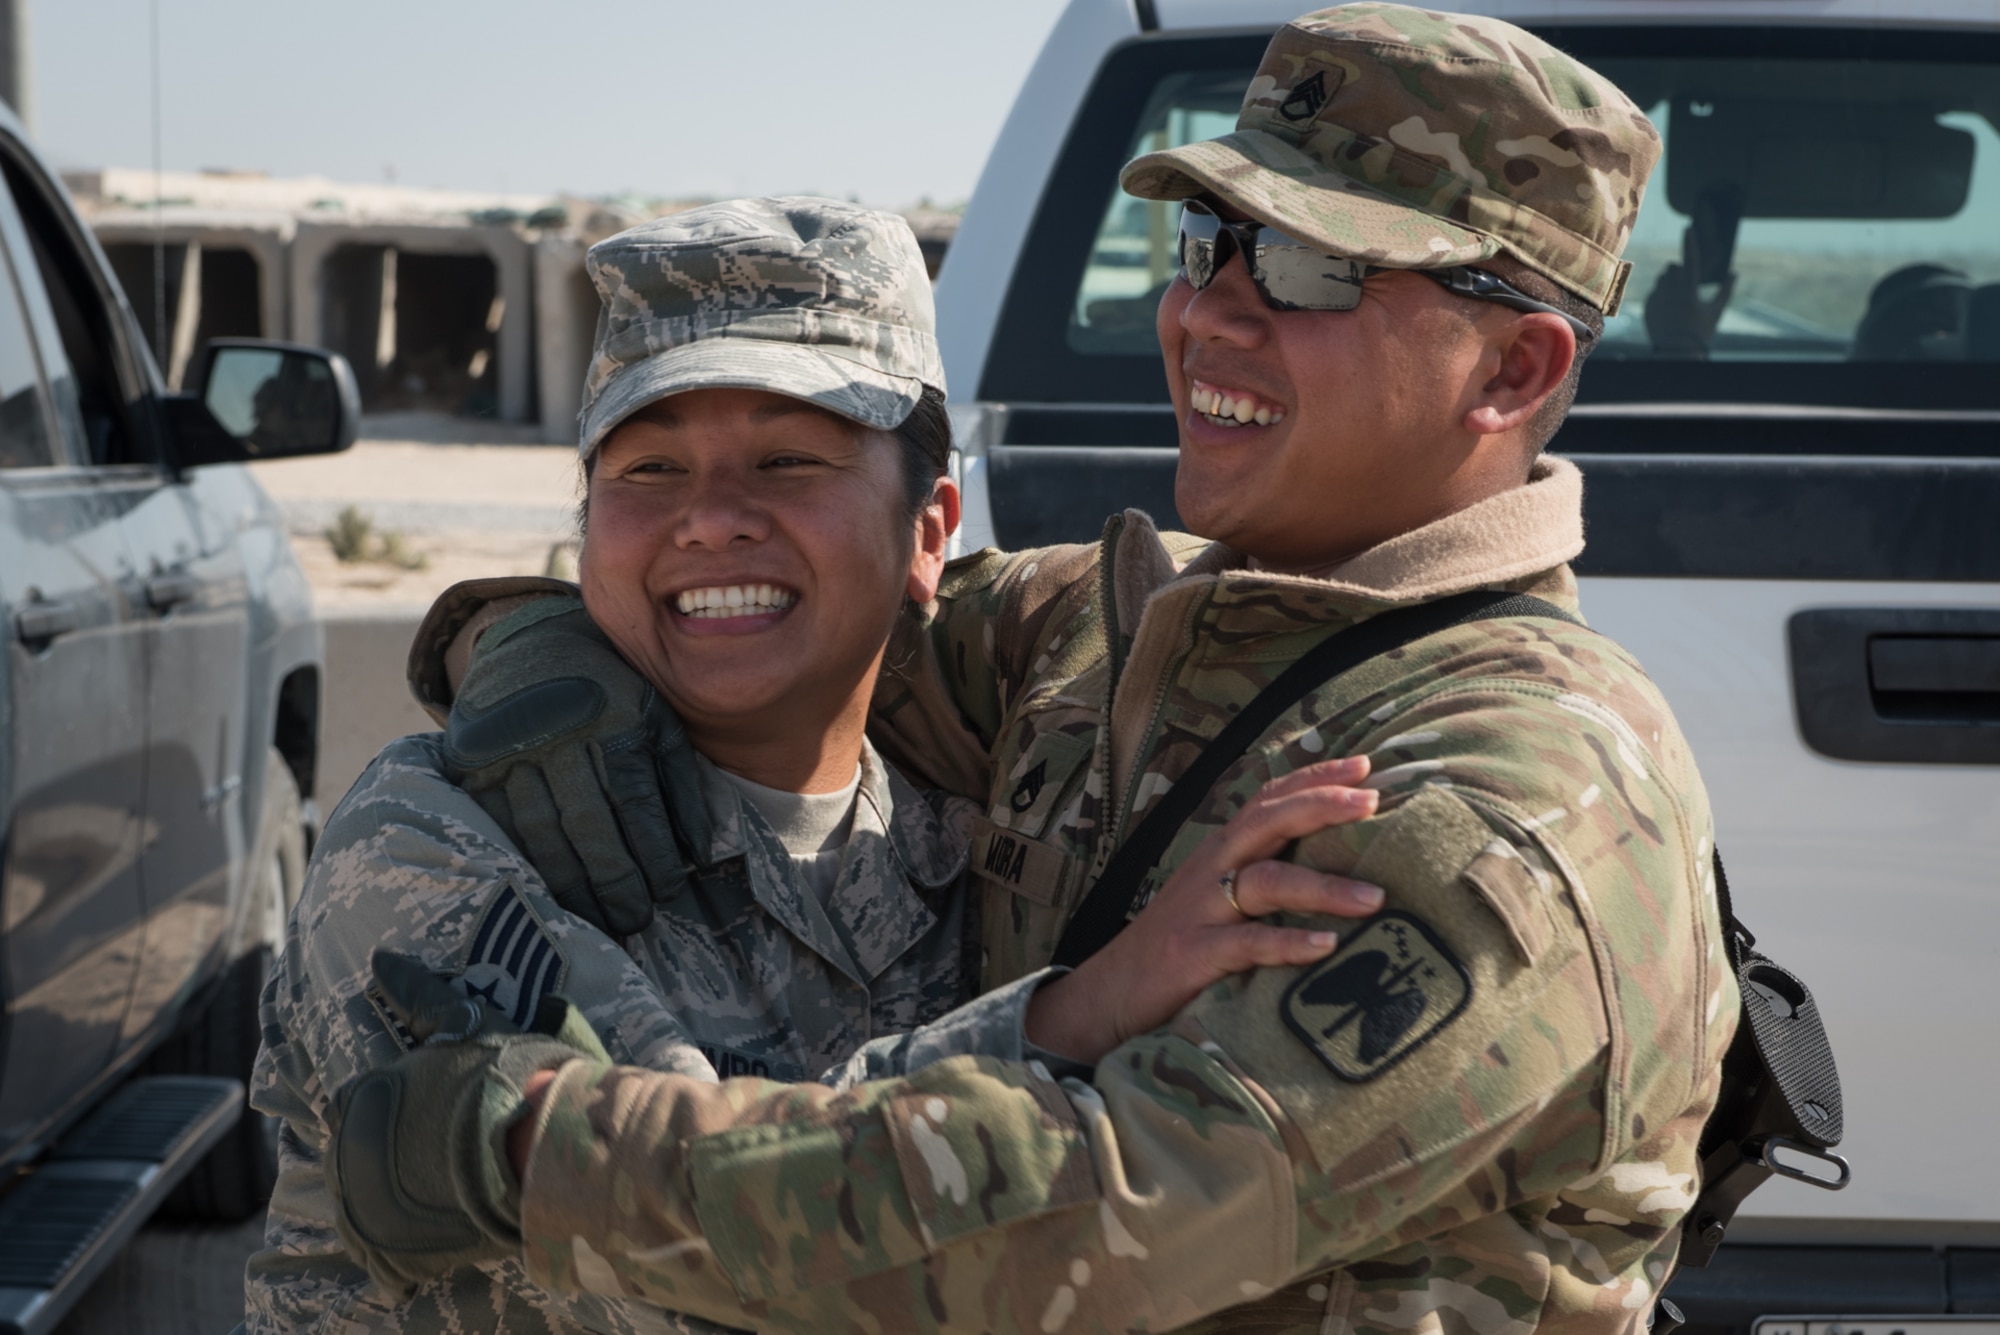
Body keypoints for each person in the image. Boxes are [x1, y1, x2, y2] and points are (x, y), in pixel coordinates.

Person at [327, 9, 1736, 1333]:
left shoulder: (1512, 788)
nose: (1212, 317)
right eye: (1206, 242)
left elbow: (1097, 1213)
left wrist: (538, 1150)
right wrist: (527, 637)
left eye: (1312, 267)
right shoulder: (1117, 632)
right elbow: (778, 615)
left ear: (1513, 367)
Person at [245, 198, 1381, 1334]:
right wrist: (1068, 1018)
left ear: (930, 532)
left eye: (789, 460)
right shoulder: (434, 837)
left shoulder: (955, 841)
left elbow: (1196, 611)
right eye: (645, 470)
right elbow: (723, 1243)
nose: (711, 520)